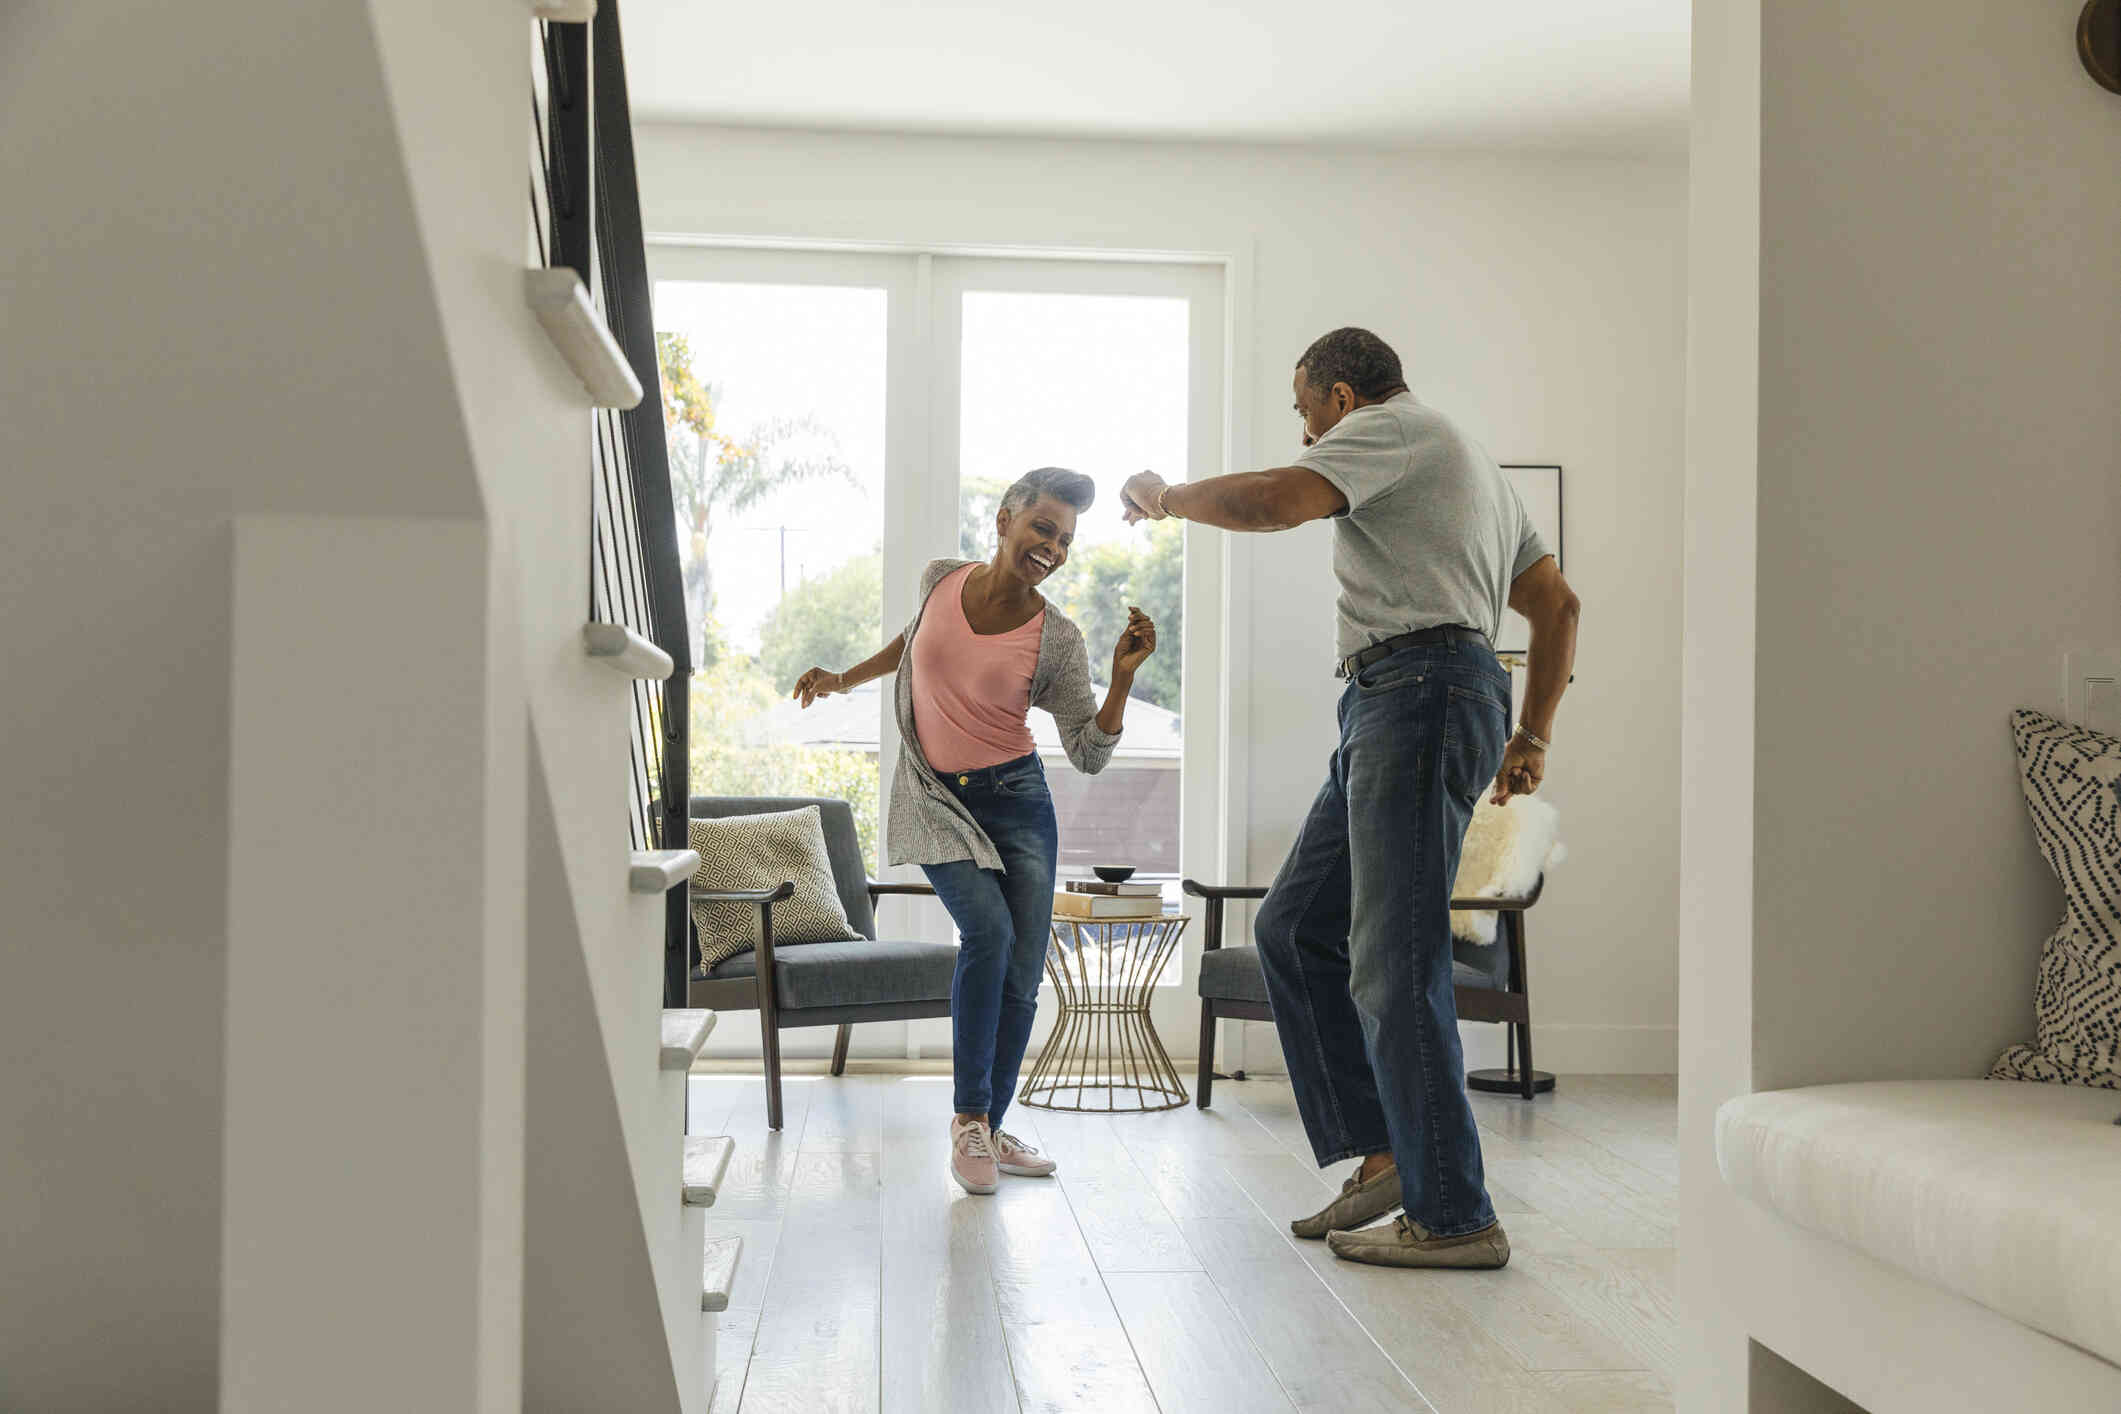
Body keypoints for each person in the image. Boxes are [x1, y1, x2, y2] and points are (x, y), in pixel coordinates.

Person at [1121, 328, 1579, 1269]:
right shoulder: (1478, 471)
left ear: (1338, 395)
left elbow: (1272, 502)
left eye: (1301, 411)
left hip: (1418, 690)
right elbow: (1556, 606)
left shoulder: (1391, 429)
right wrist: (1529, 734)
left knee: (1392, 960)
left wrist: (1166, 499)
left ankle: (1455, 1216)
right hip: (1401, 696)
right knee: (1293, 927)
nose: (1303, 432)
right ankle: (1387, 1156)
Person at [791, 467, 1158, 1195]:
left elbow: (1086, 751)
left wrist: (1120, 679)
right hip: (933, 797)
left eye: (1064, 539)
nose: (1051, 547)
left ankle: (990, 1128)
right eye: (1041, 528)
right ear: (1004, 519)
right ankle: (967, 1121)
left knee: (1022, 974)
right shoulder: (940, 580)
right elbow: (913, 640)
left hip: (1017, 802)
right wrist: (842, 680)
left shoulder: (1056, 638)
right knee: (987, 934)